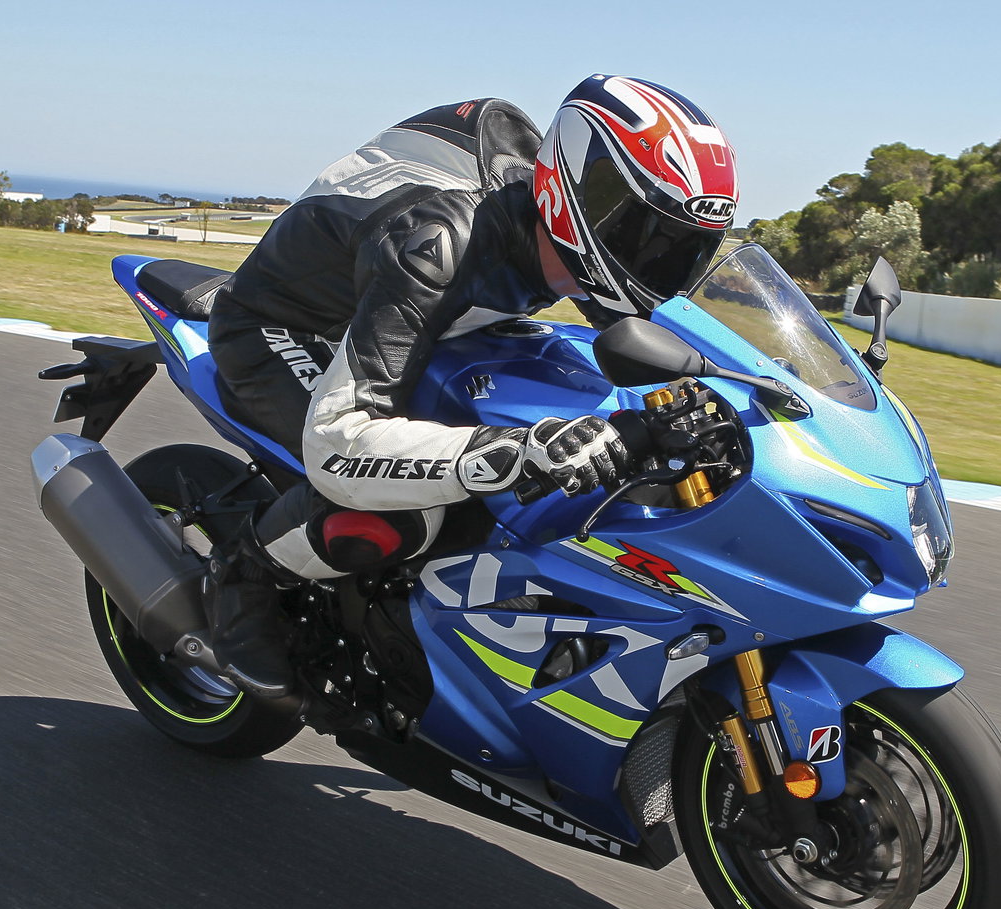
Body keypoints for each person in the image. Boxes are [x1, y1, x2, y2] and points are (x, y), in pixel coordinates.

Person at [204, 74, 739, 699]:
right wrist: (521, 451)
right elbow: (338, 440)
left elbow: (662, 344)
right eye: (650, 237)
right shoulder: (440, 244)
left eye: (687, 250)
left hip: (423, 326)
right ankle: (242, 575)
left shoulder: (568, 232)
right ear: (582, 195)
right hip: (288, 328)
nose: (664, 266)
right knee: (410, 504)